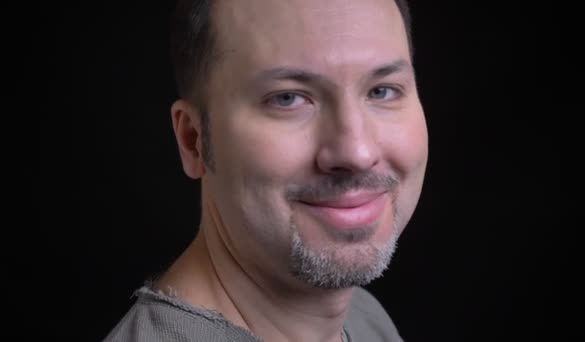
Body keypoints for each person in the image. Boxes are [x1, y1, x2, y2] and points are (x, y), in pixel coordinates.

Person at [104, 0, 428, 340]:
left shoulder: (365, 320)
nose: (356, 152)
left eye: (382, 91)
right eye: (288, 98)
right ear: (193, 140)